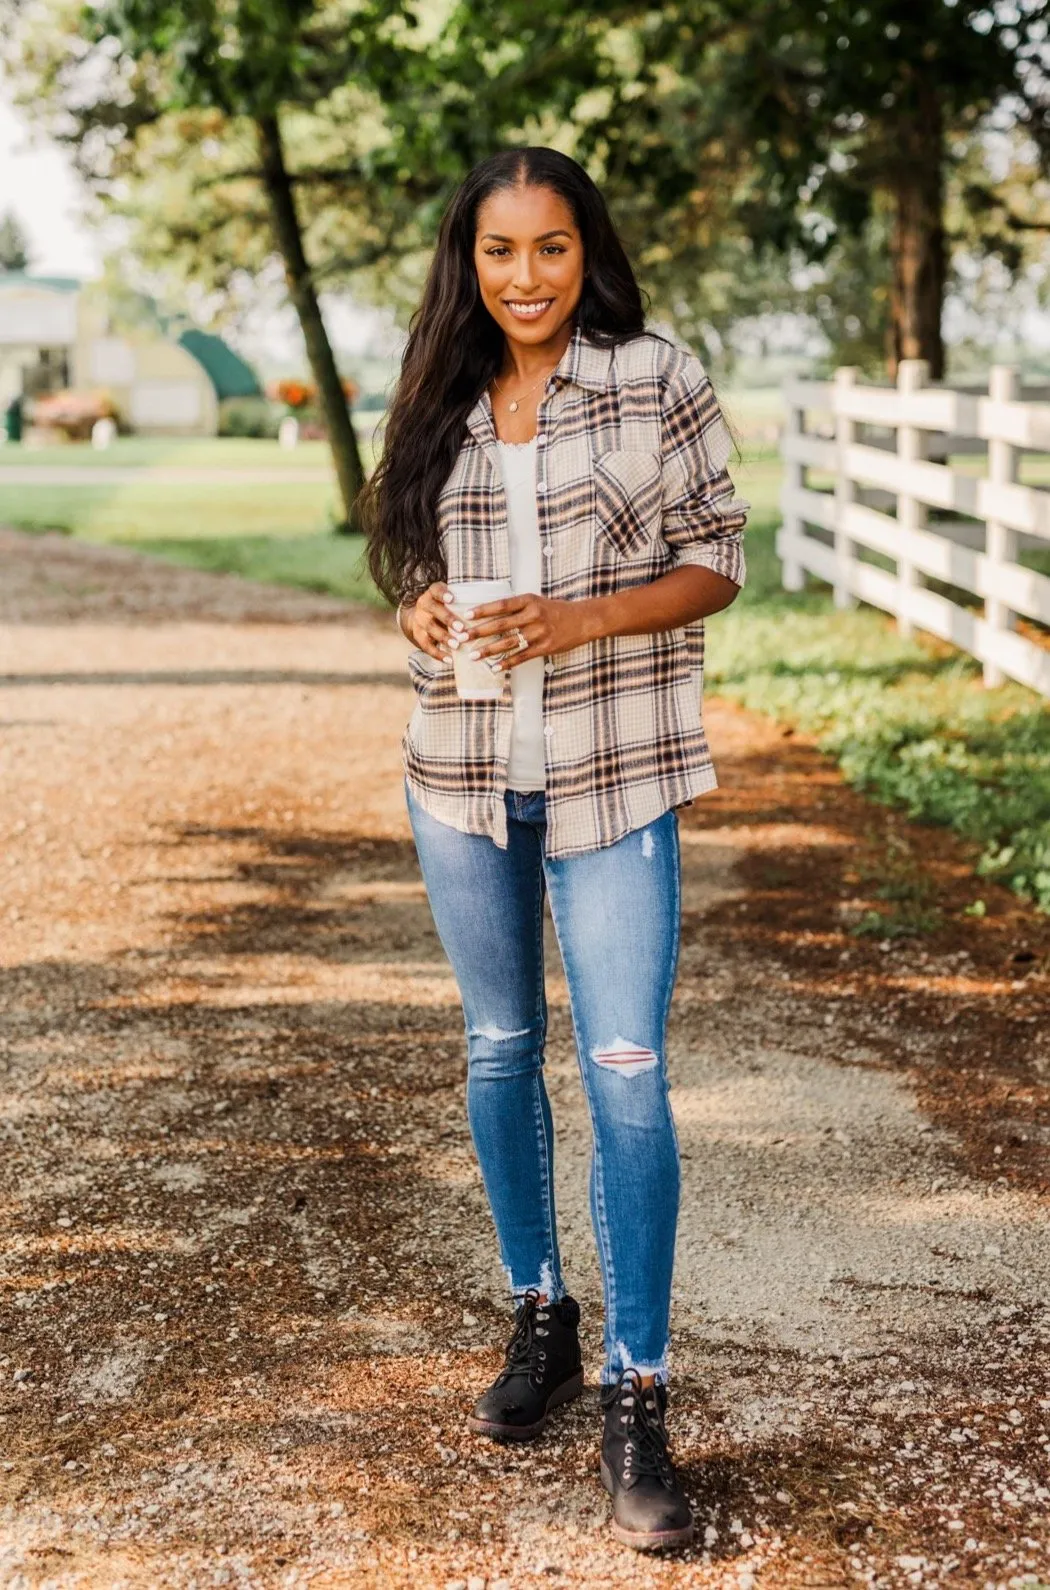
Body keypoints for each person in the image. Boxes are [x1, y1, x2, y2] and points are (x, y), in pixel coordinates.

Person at [362, 146, 747, 1553]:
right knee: (498, 1048)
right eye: (498, 253)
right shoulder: (443, 389)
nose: (524, 278)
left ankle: (638, 1394)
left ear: (590, 251)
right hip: (461, 772)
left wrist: (580, 621)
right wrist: (417, 606)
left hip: (613, 771)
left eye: (551, 249)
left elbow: (720, 555)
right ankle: (541, 1306)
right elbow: (412, 552)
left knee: (627, 1071)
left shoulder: (655, 374)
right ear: (467, 262)